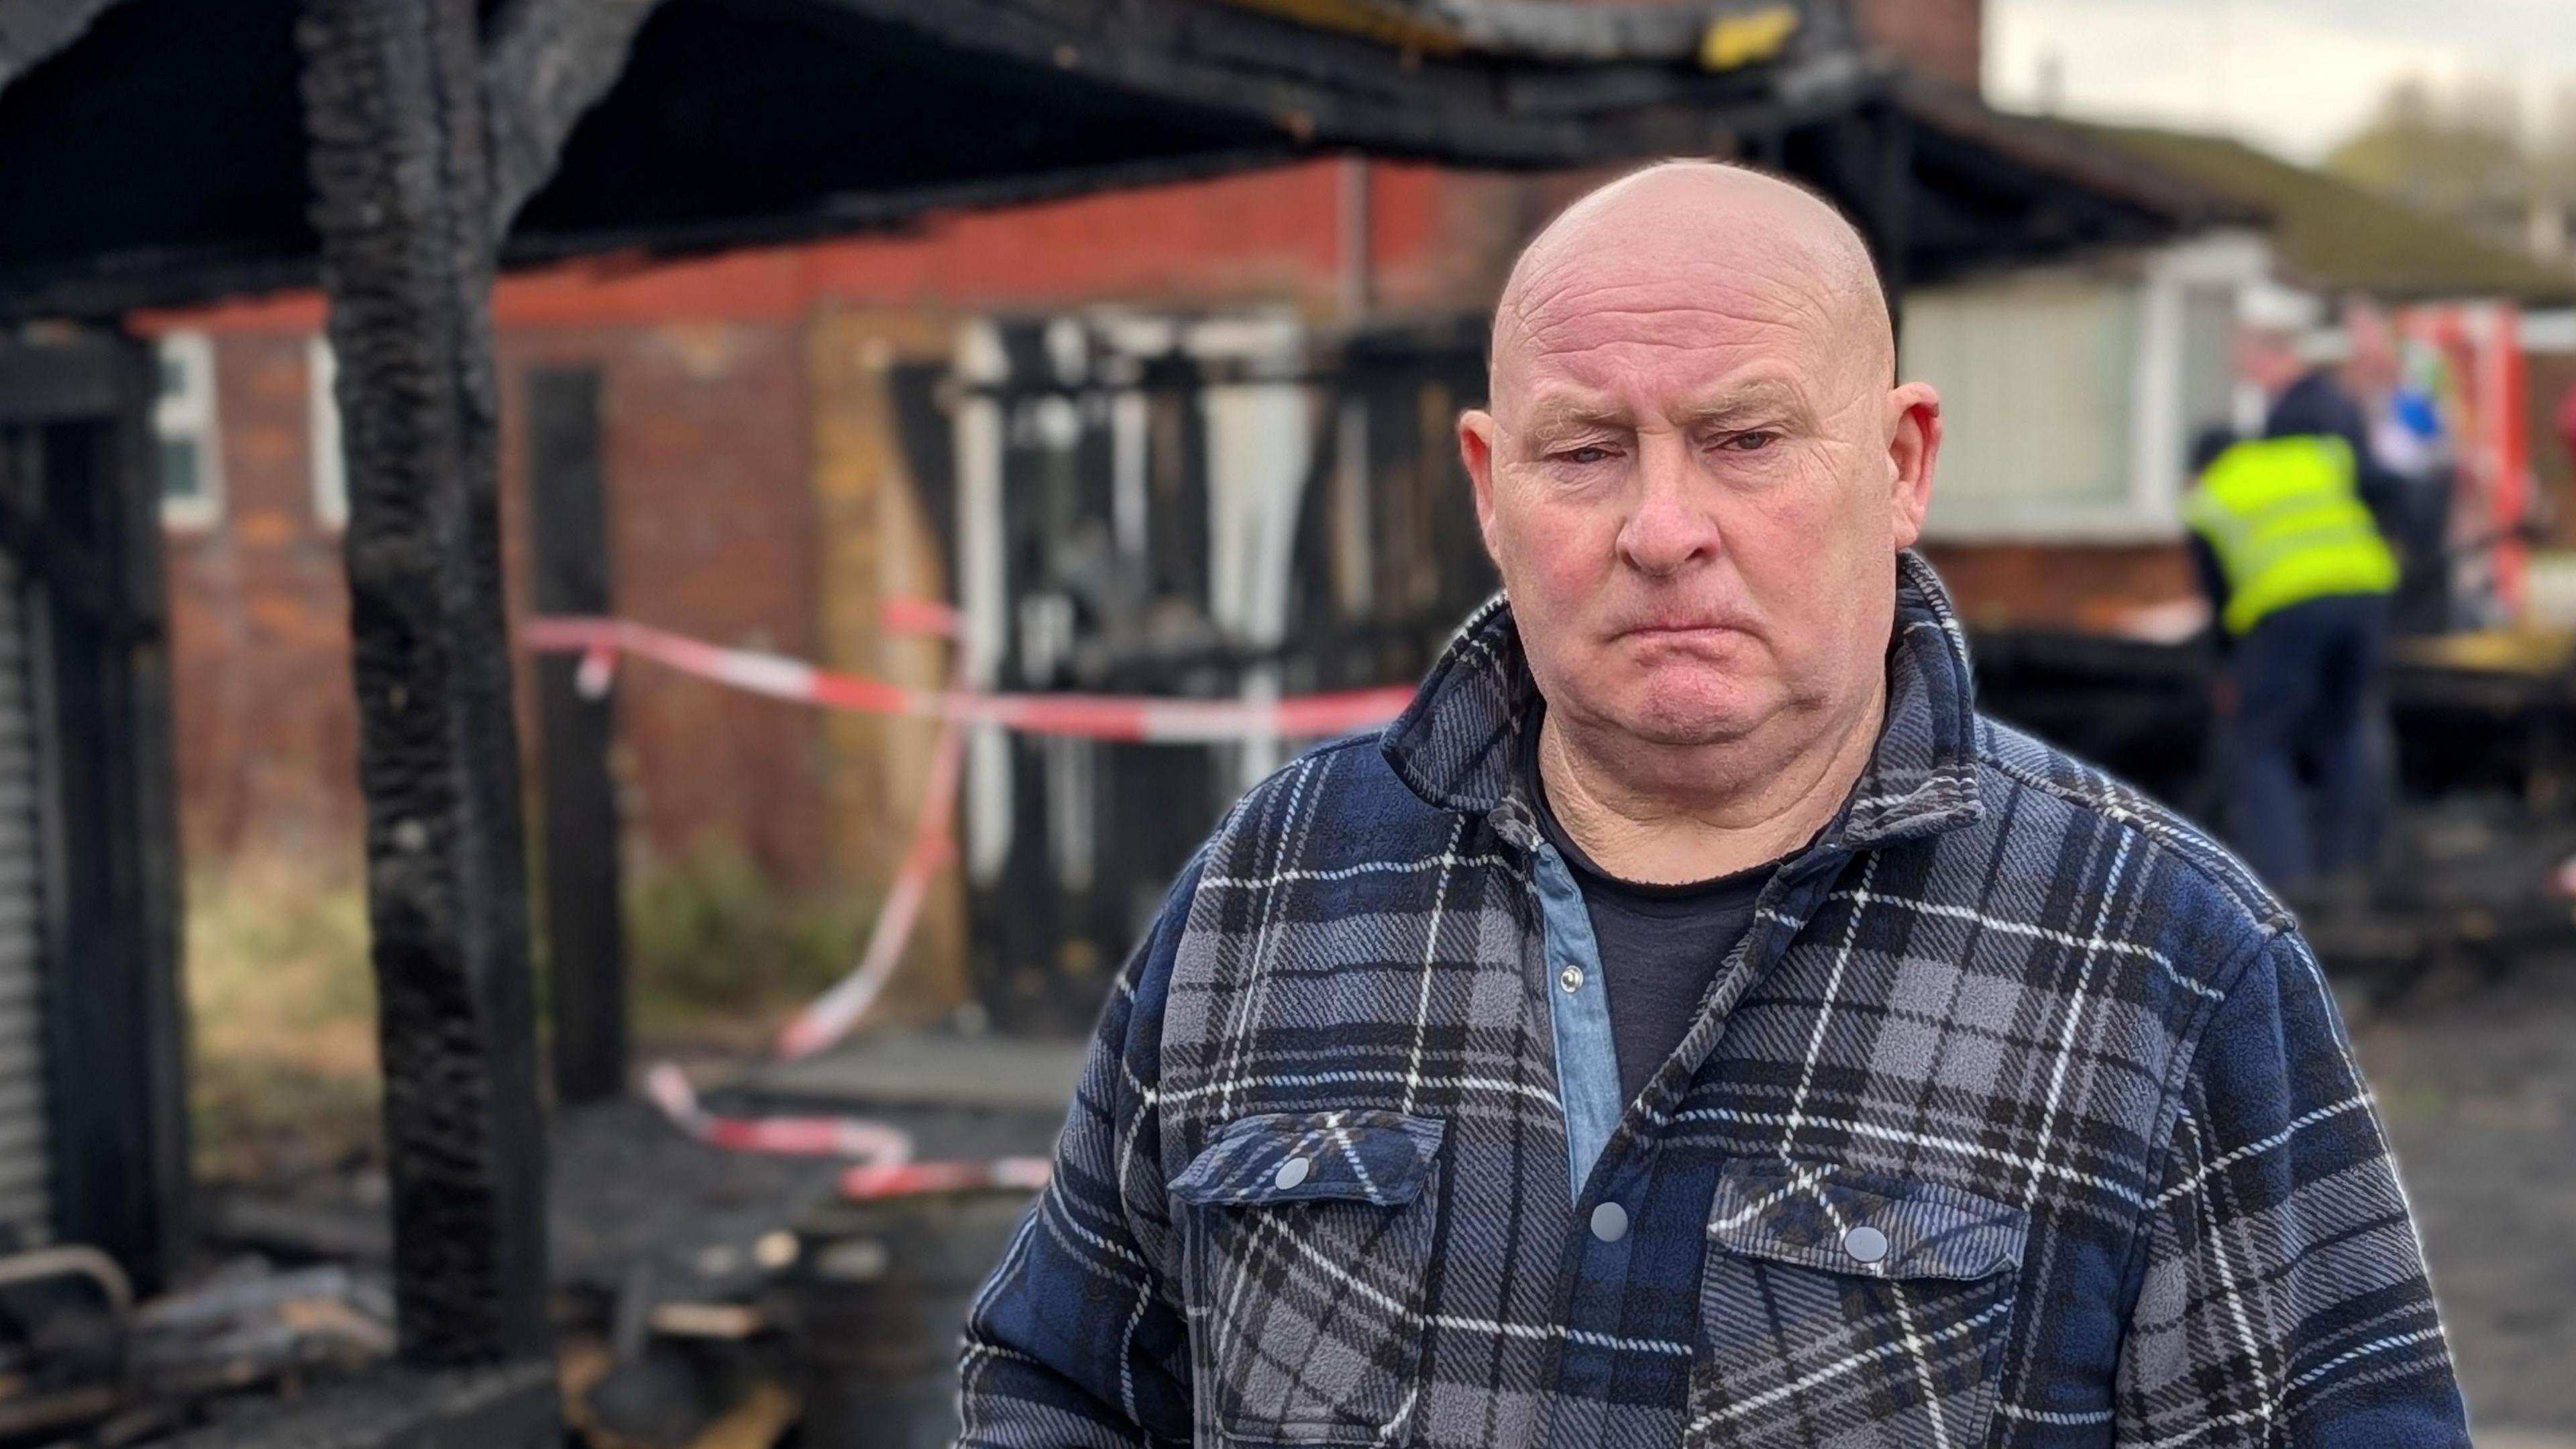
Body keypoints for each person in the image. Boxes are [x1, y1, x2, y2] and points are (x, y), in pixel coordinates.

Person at [959, 162, 2465, 1448]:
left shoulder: (2171, 966)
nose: (1663, 530)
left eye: (1745, 441)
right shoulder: (1270, 890)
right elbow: (1054, 1379)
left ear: (1900, 462)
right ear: (1491, 487)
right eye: (1586, 450)